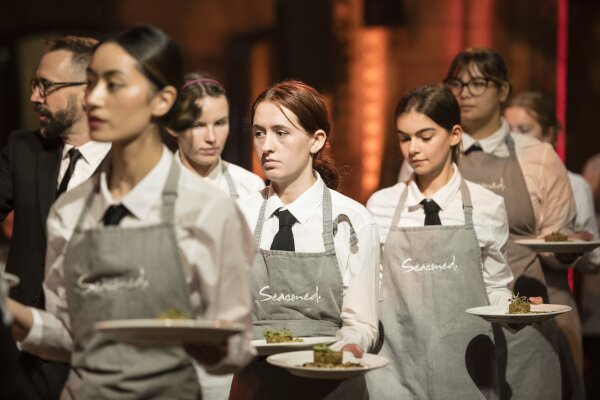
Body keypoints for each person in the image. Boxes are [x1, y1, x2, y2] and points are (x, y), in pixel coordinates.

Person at [7, 25, 255, 399]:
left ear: (162, 100)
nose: (93, 98)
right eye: (92, 83)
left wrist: (209, 343)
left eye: (114, 84)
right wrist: (11, 310)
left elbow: (236, 347)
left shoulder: (207, 210)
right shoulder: (69, 211)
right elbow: (67, 335)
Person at [230, 80, 380, 399]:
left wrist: (348, 348)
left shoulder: (353, 220)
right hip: (256, 383)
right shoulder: (238, 215)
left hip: (330, 381)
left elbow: (362, 322)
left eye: (281, 132)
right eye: (259, 133)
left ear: (316, 140)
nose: (266, 146)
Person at [444, 48, 578, 399]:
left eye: (477, 83)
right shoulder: (431, 153)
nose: (464, 93)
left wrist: (565, 251)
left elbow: (555, 243)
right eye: (456, 83)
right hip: (452, 319)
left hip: (524, 313)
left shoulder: (538, 156)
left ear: (503, 90)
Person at [366, 85, 513, 399]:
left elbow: (495, 285)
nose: (413, 149)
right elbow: (372, 287)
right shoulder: (381, 205)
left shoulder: (487, 206)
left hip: (467, 366)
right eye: (405, 138)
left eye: (425, 136)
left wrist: (514, 309)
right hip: (395, 365)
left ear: (454, 135)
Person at [0, 35, 110, 399]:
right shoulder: (23, 149)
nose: (35, 97)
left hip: (99, 358)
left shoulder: (134, 165)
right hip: (22, 358)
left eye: (45, 86)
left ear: (88, 91)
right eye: (34, 85)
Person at [168, 72, 264, 200]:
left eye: (220, 123)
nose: (211, 138)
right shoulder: (151, 187)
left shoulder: (250, 187)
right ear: (173, 126)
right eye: (198, 125)